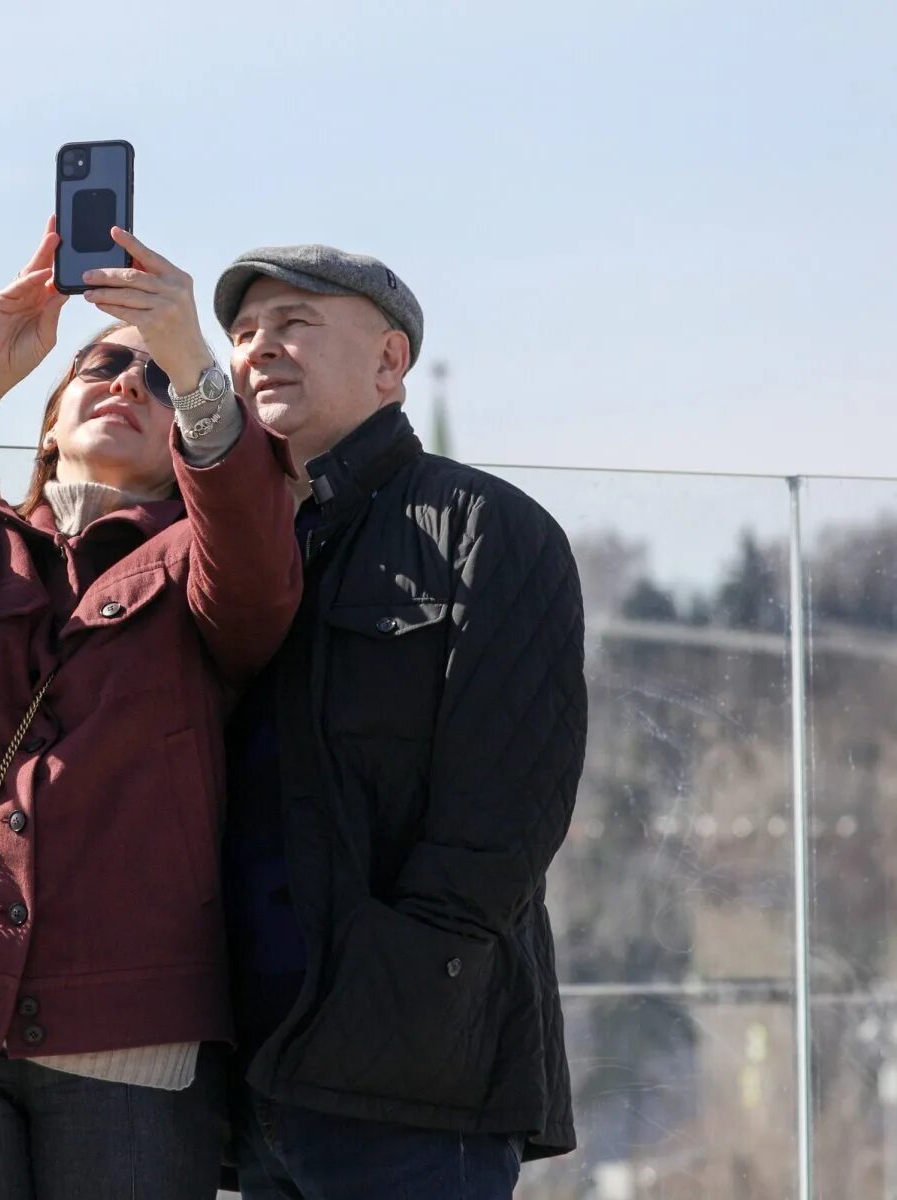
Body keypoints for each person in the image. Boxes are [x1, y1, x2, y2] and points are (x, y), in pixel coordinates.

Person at [0, 220, 301, 1199]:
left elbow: (257, 570)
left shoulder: (203, 565)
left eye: (156, 382)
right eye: (101, 368)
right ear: (45, 423)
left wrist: (194, 361)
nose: (129, 384)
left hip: (127, 1038)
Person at [206, 245, 588, 1199]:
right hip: (245, 1066)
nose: (261, 352)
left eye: (295, 323)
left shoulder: (489, 530)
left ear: (389, 364)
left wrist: (397, 991)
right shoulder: (213, 550)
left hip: (410, 1082)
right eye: (244, 334)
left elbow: (506, 815)